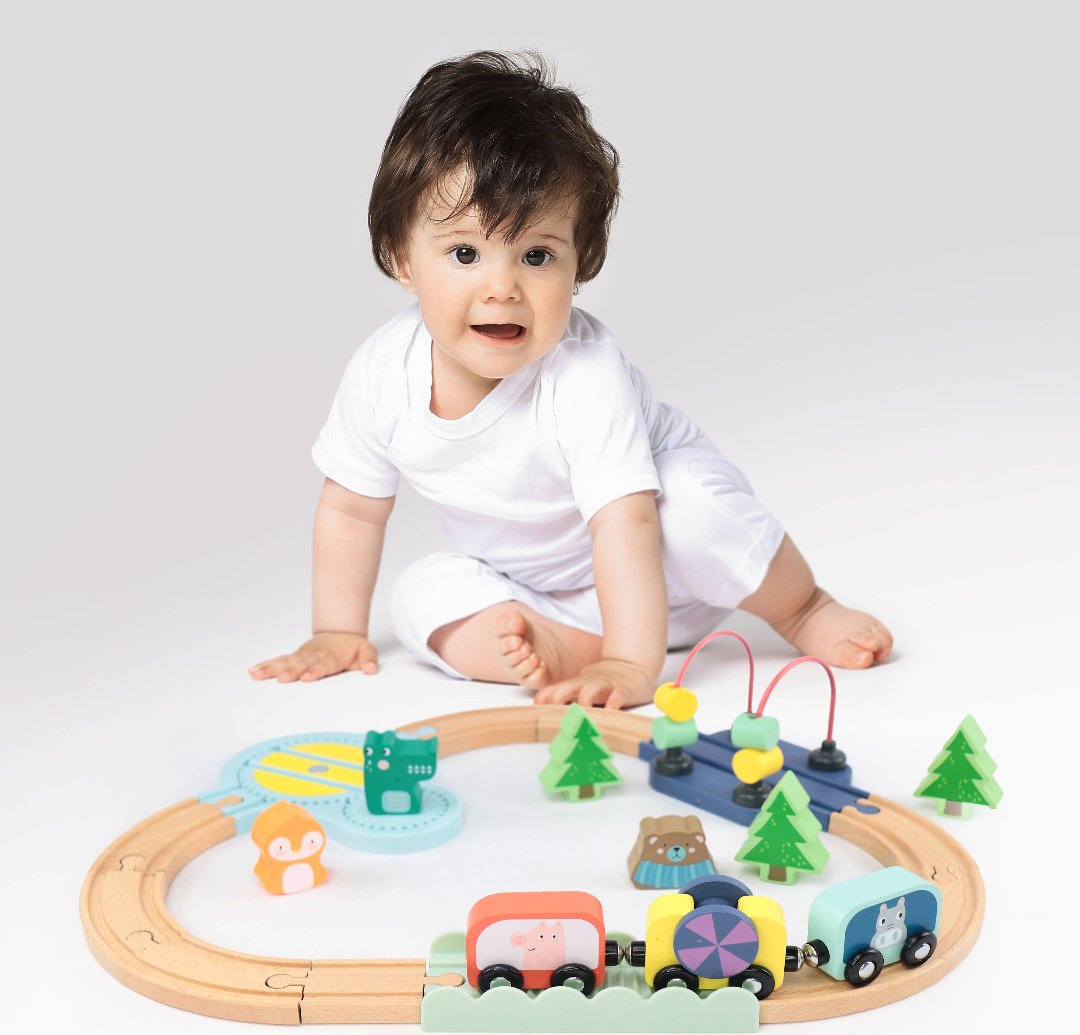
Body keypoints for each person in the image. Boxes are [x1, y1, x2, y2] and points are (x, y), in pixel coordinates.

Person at [249, 51, 892, 710]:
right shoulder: (382, 374)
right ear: (399, 257)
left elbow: (626, 523)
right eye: (464, 253)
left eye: (537, 255)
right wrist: (335, 630)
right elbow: (353, 510)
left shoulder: (582, 375)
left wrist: (629, 663)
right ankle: (567, 647)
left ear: (580, 262)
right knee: (419, 600)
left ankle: (802, 607)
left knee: (695, 506)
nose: (502, 288)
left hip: (671, 570)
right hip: (541, 589)